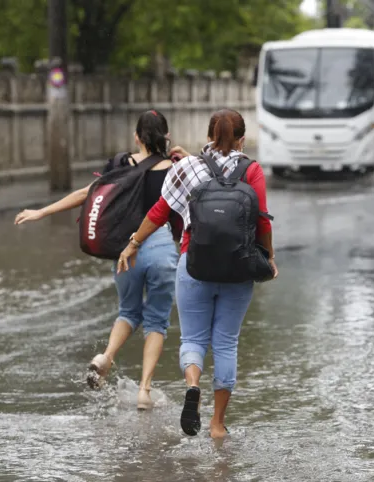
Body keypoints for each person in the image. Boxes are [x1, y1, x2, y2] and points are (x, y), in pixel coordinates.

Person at [117, 109, 278, 439]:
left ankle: (193, 386)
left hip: (194, 265)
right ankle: (217, 425)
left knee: (192, 339)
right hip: (238, 269)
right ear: (242, 140)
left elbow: (160, 211)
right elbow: (262, 221)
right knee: (226, 344)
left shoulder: (187, 166)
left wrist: (134, 243)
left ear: (207, 136)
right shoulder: (253, 170)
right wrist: (270, 258)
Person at [14, 110, 179, 410]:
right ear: (166, 136)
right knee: (156, 320)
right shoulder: (175, 169)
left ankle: (106, 357)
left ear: (137, 137)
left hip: (125, 252)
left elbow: (86, 193)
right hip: (160, 248)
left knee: (128, 312)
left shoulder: (119, 165)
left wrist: (41, 212)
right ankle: (144, 391)